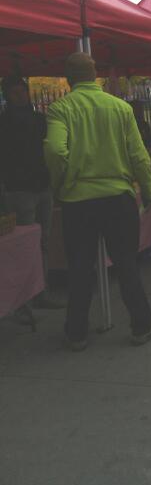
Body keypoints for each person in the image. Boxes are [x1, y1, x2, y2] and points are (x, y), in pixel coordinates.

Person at [44, 52, 151, 351]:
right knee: (126, 264)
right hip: (118, 199)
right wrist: (148, 191)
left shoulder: (60, 109)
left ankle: (76, 333)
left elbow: (56, 151)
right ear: (94, 74)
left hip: (78, 202)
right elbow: (139, 156)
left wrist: (62, 183)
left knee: (80, 267)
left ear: (69, 79)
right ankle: (141, 325)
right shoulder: (120, 108)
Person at [0, 75, 63, 310]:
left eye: (23, 92)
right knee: (24, 243)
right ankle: (25, 295)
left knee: (43, 240)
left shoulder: (39, 119)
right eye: (15, 93)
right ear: (7, 95)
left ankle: (41, 290)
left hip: (42, 186)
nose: (21, 96)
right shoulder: (4, 123)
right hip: (19, 190)